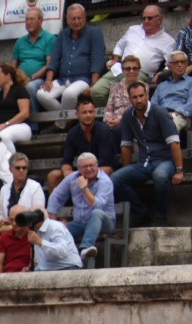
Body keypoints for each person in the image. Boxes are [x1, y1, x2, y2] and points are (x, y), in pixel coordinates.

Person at [113, 79, 185, 226]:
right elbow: (126, 146)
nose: (139, 100)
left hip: (165, 160)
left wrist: (179, 170)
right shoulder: (128, 116)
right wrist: (127, 170)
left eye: (141, 96)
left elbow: (174, 142)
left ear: (147, 95)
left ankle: (161, 217)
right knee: (115, 179)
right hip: (144, 162)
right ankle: (141, 213)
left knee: (160, 175)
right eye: (135, 97)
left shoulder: (159, 112)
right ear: (130, 98)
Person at [37, 3, 102, 114]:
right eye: (73, 19)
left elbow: (97, 58)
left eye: (79, 18)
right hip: (63, 79)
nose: (76, 21)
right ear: (67, 20)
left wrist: (94, 84)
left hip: (83, 79)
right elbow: (55, 59)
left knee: (69, 94)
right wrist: (48, 79)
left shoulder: (94, 33)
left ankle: (61, 123)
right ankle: (70, 120)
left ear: (85, 18)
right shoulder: (63, 34)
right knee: (42, 94)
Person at [46, 152, 114, 253]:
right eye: (85, 166)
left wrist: (84, 188)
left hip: (104, 223)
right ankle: (55, 262)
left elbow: (96, 205)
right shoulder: (72, 178)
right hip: (80, 223)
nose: (89, 169)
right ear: (79, 169)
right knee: (57, 231)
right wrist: (55, 222)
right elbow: (56, 196)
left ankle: (85, 249)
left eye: (91, 165)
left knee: (96, 213)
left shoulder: (105, 181)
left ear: (97, 166)